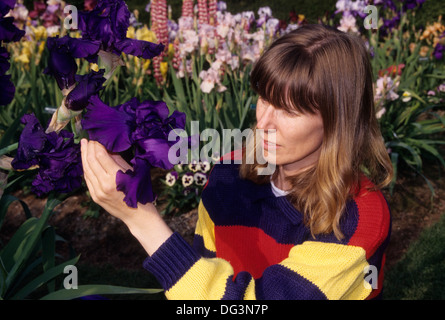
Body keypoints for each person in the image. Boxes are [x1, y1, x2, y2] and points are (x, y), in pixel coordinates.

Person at [80, 24, 393, 300]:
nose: (265, 122)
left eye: (289, 110)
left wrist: (141, 220)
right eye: (265, 99)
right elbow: (204, 275)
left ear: (339, 120)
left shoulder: (358, 217)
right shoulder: (231, 171)